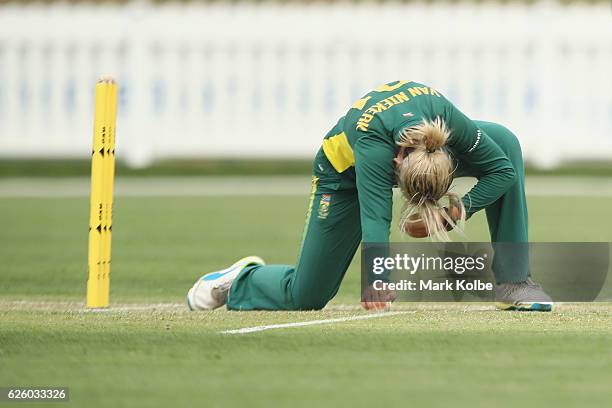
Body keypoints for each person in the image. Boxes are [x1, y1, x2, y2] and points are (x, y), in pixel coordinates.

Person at [187, 80, 552, 312]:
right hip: (340, 179)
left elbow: (502, 170)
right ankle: (242, 279)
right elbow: (375, 219)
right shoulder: (377, 151)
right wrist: (377, 281)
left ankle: (515, 281)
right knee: (307, 296)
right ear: (397, 163)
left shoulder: (445, 123)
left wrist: (457, 210)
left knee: (503, 142)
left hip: (417, 149)